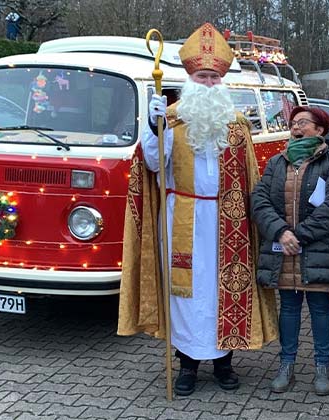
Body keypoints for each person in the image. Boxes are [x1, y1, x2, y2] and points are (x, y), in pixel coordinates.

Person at [117, 22, 277, 397]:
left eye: (213, 77)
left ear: (222, 82)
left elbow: (251, 178)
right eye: (202, 76)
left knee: (224, 290)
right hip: (184, 218)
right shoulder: (171, 120)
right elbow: (154, 165)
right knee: (185, 293)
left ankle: (224, 365)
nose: (208, 83)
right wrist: (152, 127)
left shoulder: (236, 126)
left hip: (228, 220)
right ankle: (187, 366)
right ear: (190, 78)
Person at [251, 106, 329, 396]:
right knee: (290, 308)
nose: (296, 127)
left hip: (318, 248)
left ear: (319, 130)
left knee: (320, 309)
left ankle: (323, 367)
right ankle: (287, 366)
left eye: (303, 123)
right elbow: (259, 200)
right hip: (283, 248)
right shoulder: (276, 162)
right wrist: (281, 233)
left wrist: (299, 236)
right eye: (293, 123)